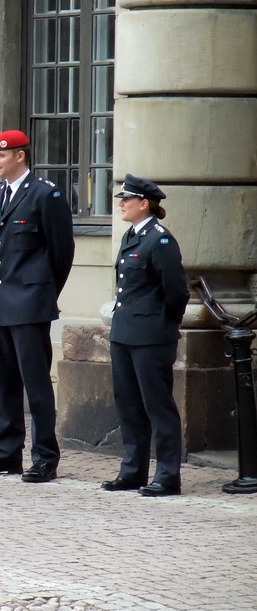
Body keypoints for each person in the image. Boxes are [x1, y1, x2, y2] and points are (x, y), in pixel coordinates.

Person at [0, 129, 75, 483]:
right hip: (0, 301)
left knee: (36, 384)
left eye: (2, 155)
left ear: (20, 156)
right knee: (5, 383)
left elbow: (61, 252)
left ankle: (45, 456)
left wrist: (43, 293)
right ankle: (6, 452)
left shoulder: (45, 194)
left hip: (30, 303)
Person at [101, 175, 189, 497]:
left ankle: (167, 475)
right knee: (129, 405)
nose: (121, 204)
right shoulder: (130, 236)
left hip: (152, 335)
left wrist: (167, 324)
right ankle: (132, 470)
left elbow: (176, 291)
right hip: (124, 332)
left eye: (127, 199)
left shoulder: (160, 240)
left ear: (144, 203)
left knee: (158, 405)